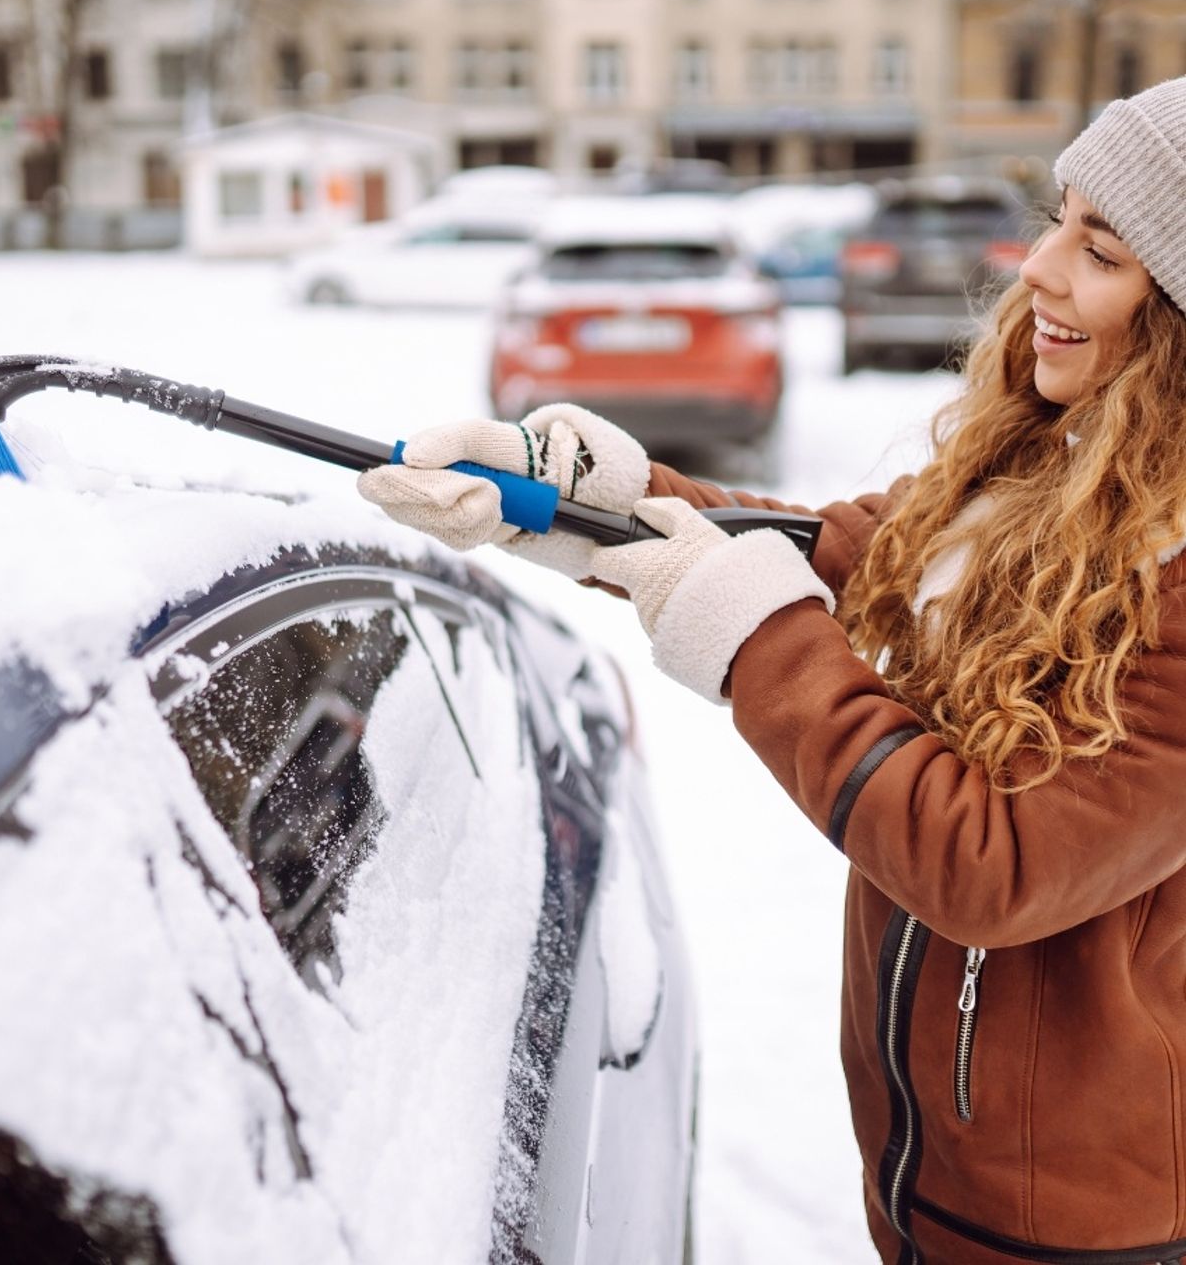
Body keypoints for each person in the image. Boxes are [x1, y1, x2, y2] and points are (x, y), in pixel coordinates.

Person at [358, 75, 1186, 1264]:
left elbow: (992, 862)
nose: (1039, 269)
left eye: (1098, 251)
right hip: (929, 1181)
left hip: (1083, 1231)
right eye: (1056, 221)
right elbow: (848, 552)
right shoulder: (1052, 468)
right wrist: (600, 507)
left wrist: (753, 636)